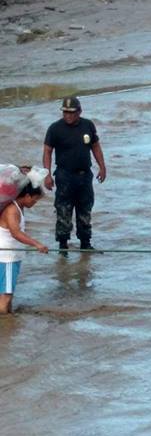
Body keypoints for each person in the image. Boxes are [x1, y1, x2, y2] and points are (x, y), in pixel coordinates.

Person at [42, 96, 107, 251]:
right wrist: (47, 174)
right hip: (64, 176)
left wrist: (102, 167)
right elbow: (47, 151)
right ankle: (63, 246)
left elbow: (95, 146)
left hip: (84, 176)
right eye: (65, 112)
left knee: (85, 209)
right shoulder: (55, 129)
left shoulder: (88, 125)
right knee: (63, 211)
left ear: (79, 112)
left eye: (71, 112)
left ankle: (85, 244)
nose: (68, 115)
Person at [0, 183, 49, 313]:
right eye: (35, 199)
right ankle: (5, 327)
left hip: (9, 257)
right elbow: (16, 233)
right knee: (6, 295)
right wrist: (36, 244)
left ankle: (8, 319)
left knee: (6, 293)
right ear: (27, 195)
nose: (35, 202)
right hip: (7, 258)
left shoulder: (18, 207)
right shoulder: (12, 210)